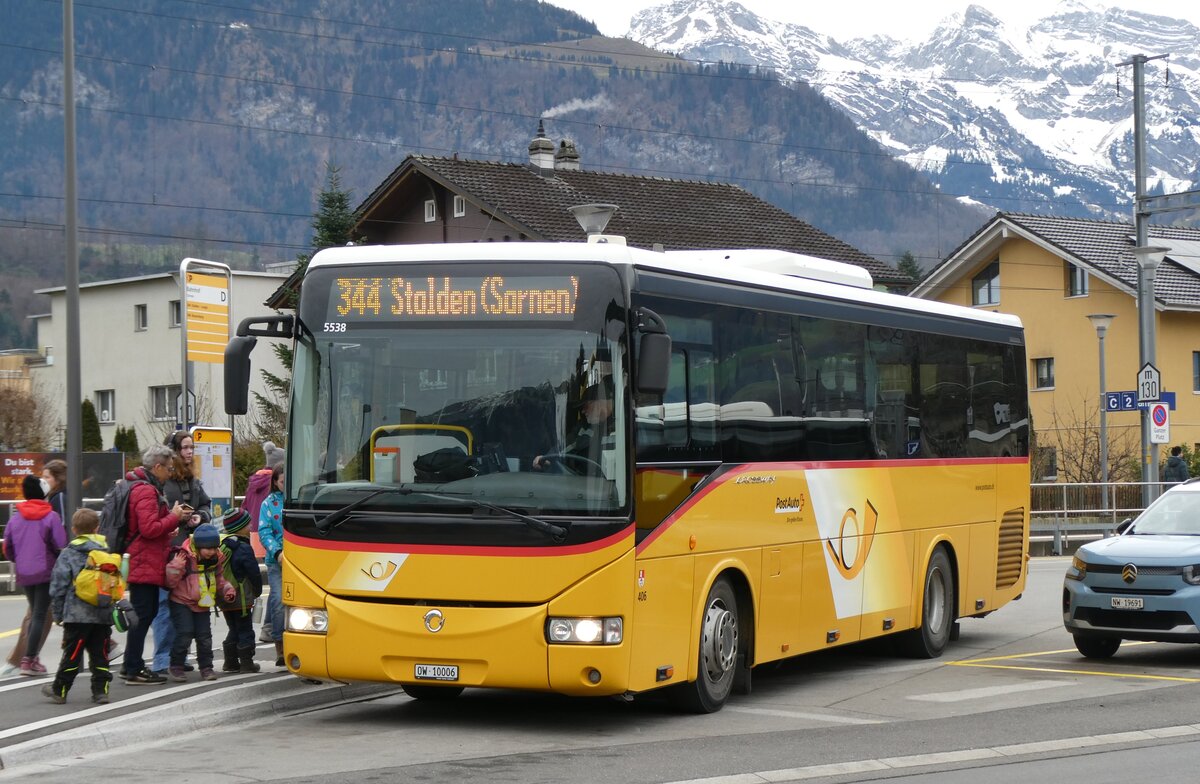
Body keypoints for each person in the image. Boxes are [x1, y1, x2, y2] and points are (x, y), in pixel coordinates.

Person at [121, 444, 189, 685]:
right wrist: (173, 518)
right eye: (168, 468)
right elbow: (148, 529)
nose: (170, 473)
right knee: (142, 615)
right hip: (144, 561)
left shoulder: (140, 486)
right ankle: (133, 668)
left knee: (144, 614)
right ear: (157, 466)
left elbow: (146, 528)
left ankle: (132, 664)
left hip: (144, 558)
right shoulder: (146, 491)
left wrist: (167, 527)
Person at [153, 431, 212, 676]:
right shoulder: (163, 481)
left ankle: (178, 655)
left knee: (184, 604)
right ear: (174, 451)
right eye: (185, 448)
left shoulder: (193, 480)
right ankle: (162, 659)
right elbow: (154, 512)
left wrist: (200, 516)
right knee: (165, 606)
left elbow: (205, 504)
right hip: (168, 549)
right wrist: (175, 518)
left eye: (191, 448)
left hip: (189, 550)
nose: (189, 452)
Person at [3, 460, 68, 676]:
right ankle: (29, 660)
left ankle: (28, 658)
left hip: (24, 572)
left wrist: (18, 561)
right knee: (40, 614)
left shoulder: (15, 518)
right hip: (45, 571)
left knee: (35, 614)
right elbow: (60, 544)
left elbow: (8, 547)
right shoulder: (50, 516)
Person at [43, 509, 114, 704]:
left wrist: (58, 615)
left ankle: (60, 690)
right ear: (97, 528)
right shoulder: (104, 552)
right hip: (101, 614)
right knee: (101, 655)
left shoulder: (68, 554)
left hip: (76, 616)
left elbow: (58, 587)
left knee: (72, 655)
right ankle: (101, 691)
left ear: (74, 530)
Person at [164, 523, 234, 682]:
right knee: (185, 633)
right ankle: (176, 665)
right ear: (198, 546)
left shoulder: (216, 560)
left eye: (214, 548)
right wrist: (176, 566)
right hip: (181, 601)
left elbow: (219, 579)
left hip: (202, 603)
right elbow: (169, 582)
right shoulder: (184, 558)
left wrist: (228, 590)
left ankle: (206, 667)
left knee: (204, 637)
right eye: (208, 548)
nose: (211, 552)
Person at [244, 440, 284, 641]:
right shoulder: (272, 499)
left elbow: (245, 506)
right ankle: (270, 629)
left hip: (255, 535)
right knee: (276, 593)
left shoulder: (254, 481)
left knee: (276, 593)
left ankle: (269, 628)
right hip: (271, 544)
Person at [534, 378, 615, 475]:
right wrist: (547, 457)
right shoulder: (584, 427)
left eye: (586, 406)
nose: (583, 411)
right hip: (583, 481)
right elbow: (566, 445)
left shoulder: (624, 425)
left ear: (599, 401)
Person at [216, 507, 262, 673]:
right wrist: (257, 591)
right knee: (245, 629)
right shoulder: (243, 547)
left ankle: (230, 662)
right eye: (248, 524)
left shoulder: (222, 544)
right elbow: (254, 572)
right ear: (240, 527)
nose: (250, 526)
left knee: (233, 628)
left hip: (224, 597)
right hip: (241, 597)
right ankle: (247, 663)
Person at [258, 463, 286, 668]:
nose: (286, 485)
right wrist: (277, 552)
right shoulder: (268, 503)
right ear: (275, 482)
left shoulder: (302, 499)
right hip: (278, 561)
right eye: (283, 482)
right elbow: (264, 531)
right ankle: (280, 646)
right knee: (277, 600)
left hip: (304, 560)